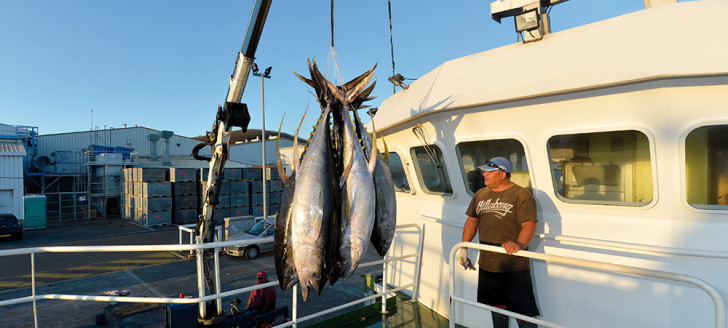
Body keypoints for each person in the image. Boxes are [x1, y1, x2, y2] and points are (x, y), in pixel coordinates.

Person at [458, 157, 540, 328]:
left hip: (513, 266)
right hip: (488, 265)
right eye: (485, 171)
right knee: (497, 309)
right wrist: (463, 248)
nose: (485, 175)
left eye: (489, 172)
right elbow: (472, 222)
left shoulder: (521, 195)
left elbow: (529, 225)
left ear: (502, 174)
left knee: (523, 312)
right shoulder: (480, 194)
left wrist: (518, 243)